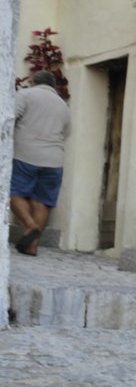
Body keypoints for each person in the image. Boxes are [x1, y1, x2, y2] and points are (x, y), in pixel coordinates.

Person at [10, 70, 71, 256]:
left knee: (13, 193)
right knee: (42, 202)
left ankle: (30, 226)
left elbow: (9, 117)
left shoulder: (25, 95)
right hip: (54, 160)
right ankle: (32, 246)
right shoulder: (63, 105)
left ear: (34, 81)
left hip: (25, 155)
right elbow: (66, 132)